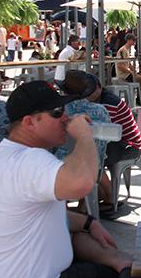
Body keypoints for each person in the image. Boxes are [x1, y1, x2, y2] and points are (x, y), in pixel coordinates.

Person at [0, 81, 132, 277]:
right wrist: (85, 136)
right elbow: (83, 183)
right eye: (56, 112)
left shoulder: (0, 156)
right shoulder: (28, 160)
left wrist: (88, 223)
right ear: (29, 122)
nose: (66, 117)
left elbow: (39, 214)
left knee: (102, 254)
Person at [57, 71, 121, 212]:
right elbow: (105, 143)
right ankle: (85, 207)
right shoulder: (101, 111)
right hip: (94, 167)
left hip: (61, 171)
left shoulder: (58, 113)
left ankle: (63, 211)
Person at [116, 33, 141, 101]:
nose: (135, 42)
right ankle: (140, 98)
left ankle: (139, 97)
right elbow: (119, 66)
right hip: (123, 75)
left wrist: (134, 71)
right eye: (133, 40)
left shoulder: (128, 50)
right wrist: (131, 72)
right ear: (128, 40)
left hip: (128, 73)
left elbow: (128, 64)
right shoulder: (122, 50)